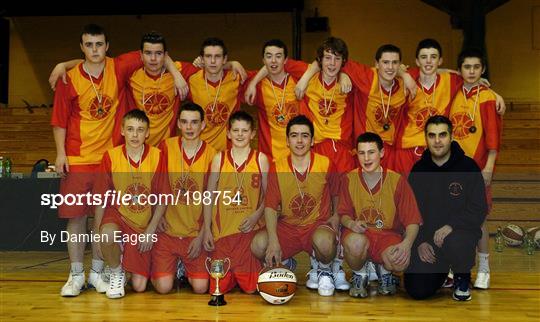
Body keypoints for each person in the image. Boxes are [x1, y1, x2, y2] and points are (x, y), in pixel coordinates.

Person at [51, 23, 144, 297]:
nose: (94, 49)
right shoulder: (69, 79)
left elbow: (153, 53)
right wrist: (60, 153)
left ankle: (97, 273)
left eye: (99, 44)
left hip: (108, 160)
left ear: (107, 46)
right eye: (89, 45)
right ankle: (76, 274)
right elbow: (58, 121)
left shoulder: (117, 67)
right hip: (78, 158)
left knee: (101, 220)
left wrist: (175, 72)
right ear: (82, 48)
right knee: (76, 219)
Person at [250, 115, 341, 297]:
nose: (299, 141)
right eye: (294, 135)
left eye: (305, 135)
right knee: (258, 245)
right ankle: (286, 263)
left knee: (325, 242)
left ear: (313, 140)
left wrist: (336, 215)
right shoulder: (278, 168)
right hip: (288, 227)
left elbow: (337, 193)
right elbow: (269, 207)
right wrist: (274, 240)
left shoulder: (325, 163)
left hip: (316, 225)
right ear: (287, 141)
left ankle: (322, 268)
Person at [404, 115, 487, 301]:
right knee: (417, 290)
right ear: (425, 138)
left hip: (459, 236)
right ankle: (442, 274)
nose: (437, 141)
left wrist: (451, 225)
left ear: (451, 136)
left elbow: (479, 208)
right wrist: (420, 242)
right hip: (430, 241)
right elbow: (411, 212)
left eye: (442, 135)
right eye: (432, 135)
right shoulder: (419, 171)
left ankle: (461, 276)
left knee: (456, 242)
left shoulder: (468, 167)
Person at [394, 38, 506, 176]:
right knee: (407, 194)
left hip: (438, 150)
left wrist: (495, 95)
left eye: (433, 57)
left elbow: (471, 79)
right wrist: (403, 73)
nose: (428, 61)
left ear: (440, 60)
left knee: (435, 194)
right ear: (417, 61)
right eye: (424, 57)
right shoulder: (408, 81)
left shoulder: (451, 80)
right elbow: (386, 69)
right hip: (408, 148)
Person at [92, 109, 167, 299]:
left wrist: (150, 230)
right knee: (107, 234)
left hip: (143, 223)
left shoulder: (158, 156)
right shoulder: (111, 156)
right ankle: (117, 272)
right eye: (131, 129)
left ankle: (123, 257)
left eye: (140, 130)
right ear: (122, 131)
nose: (135, 134)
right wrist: (97, 233)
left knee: (140, 286)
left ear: (148, 133)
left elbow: (163, 197)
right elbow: (101, 198)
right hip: (118, 215)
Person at [339, 132, 421, 298]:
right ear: (357, 154)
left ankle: (384, 271)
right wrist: (351, 224)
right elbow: (343, 214)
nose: (367, 158)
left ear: (382, 153)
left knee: (399, 262)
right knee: (354, 243)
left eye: (371, 152)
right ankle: (360, 274)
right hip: (361, 234)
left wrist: (406, 244)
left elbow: (413, 220)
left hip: (388, 236)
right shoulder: (349, 179)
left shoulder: (397, 180)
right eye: (362, 153)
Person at [448, 48, 502, 290]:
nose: (471, 71)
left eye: (476, 67)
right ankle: (453, 267)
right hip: (453, 167)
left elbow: (493, 136)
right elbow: (435, 71)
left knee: (478, 220)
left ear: (483, 70)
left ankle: (484, 268)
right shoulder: (454, 92)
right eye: (466, 67)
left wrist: (489, 166)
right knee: (451, 216)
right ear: (460, 70)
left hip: (478, 168)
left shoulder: (489, 97)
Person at [151, 102, 216, 295]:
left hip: (193, 234)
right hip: (167, 231)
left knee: (201, 288)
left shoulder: (213, 155)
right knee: (163, 288)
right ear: (178, 123)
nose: (189, 127)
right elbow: (154, 186)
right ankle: (163, 267)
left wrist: (203, 234)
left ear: (203, 125)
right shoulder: (165, 147)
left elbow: (212, 201)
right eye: (185, 122)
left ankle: (182, 267)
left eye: (194, 122)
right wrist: (157, 215)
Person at [202, 111, 269, 294]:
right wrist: (207, 229)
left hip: (249, 232)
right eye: (236, 130)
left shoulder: (260, 160)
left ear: (252, 134)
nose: (240, 134)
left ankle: (266, 262)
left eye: (245, 130)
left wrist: (256, 215)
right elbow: (208, 196)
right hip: (223, 234)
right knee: (218, 289)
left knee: (250, 289)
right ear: (228, 133)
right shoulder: (219, 159)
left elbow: (270, 196)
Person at [186, 37, 248, 152]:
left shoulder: (236, 77)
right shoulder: (191, 79)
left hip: (228, 154)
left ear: (225, 59)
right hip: (200, 152)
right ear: (202, 59)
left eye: (217, 56)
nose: (213, 61)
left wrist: (233, 63)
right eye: (208, 56)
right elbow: (162, 61)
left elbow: (274, 68)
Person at [244, 39, 301, 161]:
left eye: (278, 56)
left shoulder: (299, 80)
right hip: (271, 159)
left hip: (300, 158)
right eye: (269, 56)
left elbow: (321, 66)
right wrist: (233, 64)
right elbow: (224, 72)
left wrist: (344, 76)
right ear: (263, 61)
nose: (273, 61)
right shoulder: (257, 86)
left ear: (286, 60)